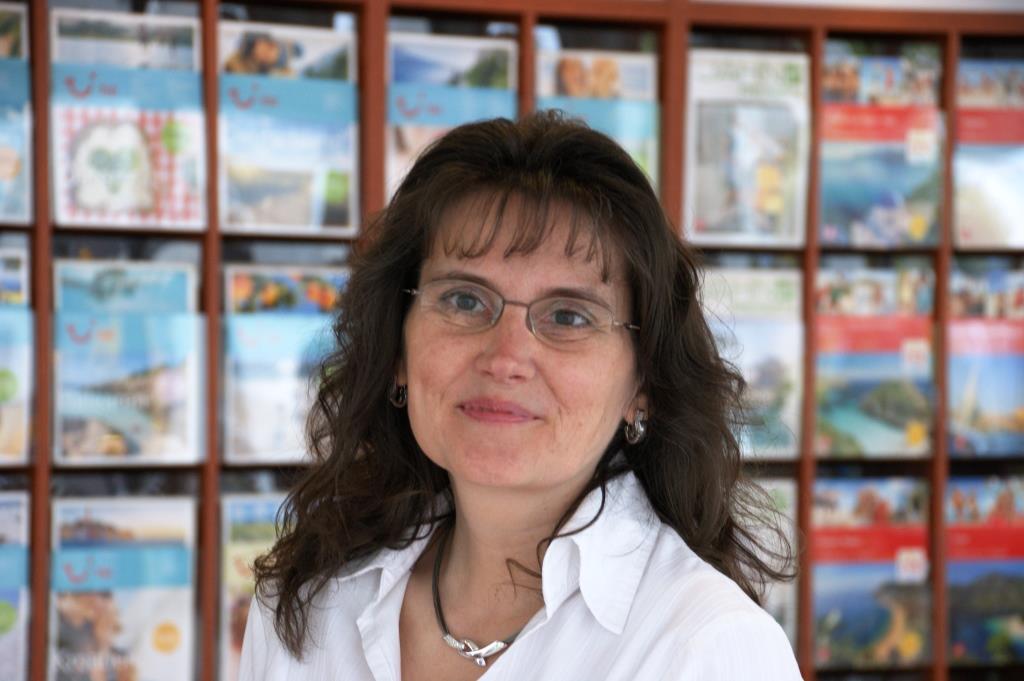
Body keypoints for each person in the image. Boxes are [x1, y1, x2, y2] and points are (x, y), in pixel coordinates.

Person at [240, 111, 802, 680]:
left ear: (642, 385)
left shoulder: (708, 648)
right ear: (397, 350)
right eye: (464, 300)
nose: (505, 358)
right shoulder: (306, 603)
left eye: (568, 316)